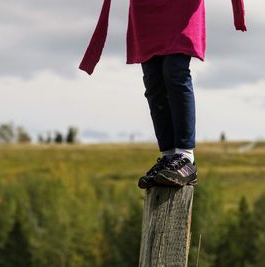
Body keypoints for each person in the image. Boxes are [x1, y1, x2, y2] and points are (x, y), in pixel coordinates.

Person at [79, 0, 247, 189]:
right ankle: (168, 158)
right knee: (153, 79)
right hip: (146, 7)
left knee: (174, 70)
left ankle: (185, 158)